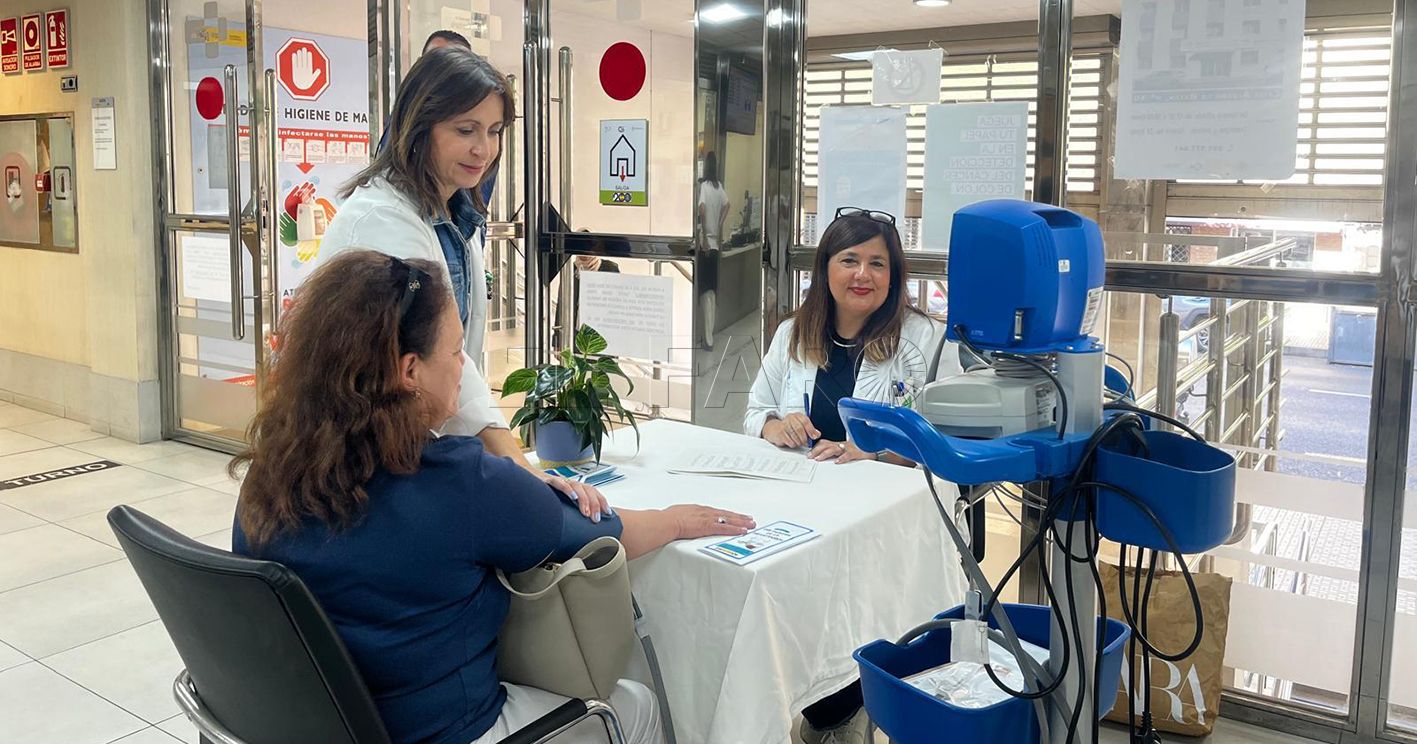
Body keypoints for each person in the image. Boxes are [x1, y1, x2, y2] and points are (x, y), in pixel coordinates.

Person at [231, 250, 755, 744]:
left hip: (319, 728)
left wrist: (518, 495)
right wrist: (675, 521)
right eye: (457, 351)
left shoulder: (268, 478)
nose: (465, 366)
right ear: (410, 371)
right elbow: (601, 535)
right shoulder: (460, 482)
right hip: (452, 730)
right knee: (633, 707)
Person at [319, 48, 610, 514]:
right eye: (465, 130)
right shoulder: (381, 221)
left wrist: (515, 466)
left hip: (417, 447)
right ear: (420, 126)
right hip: (367, 466)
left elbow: (455, 361)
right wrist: (518, 468)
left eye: (494, 132)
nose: (485, 149)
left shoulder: (453, 212)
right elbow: (442, 352)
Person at [743, 208, 963, 467]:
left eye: (877, 264)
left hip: (888, 494)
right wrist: (776, 427)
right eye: (849, 260)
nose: (862, 274)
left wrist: (877, 452)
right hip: (801, 487)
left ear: (892, 276)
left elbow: (951, 439)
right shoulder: (793, 332)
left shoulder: (929, 339)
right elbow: (756, 413)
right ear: (825, 269)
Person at [696, 152, 730, 349]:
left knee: (704, 292)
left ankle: (707, 338)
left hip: (705, 245)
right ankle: (710, 336)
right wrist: (718, 224)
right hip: (715, 245)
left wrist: (704, 232)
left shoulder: (705, 186)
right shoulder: (718, 187)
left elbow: (701, 208)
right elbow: (728, 205)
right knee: (712, 291)